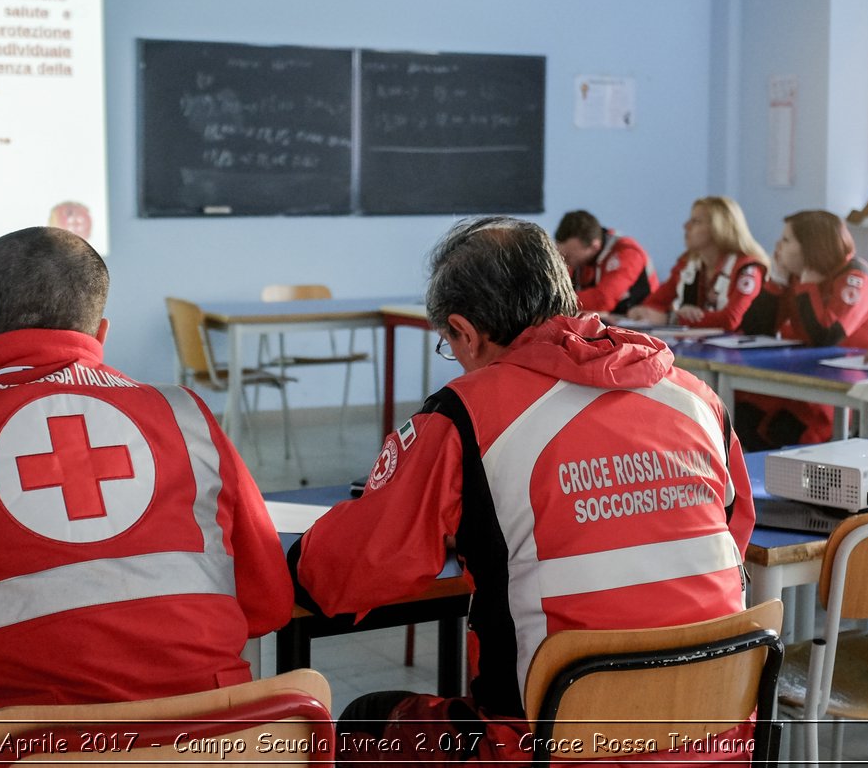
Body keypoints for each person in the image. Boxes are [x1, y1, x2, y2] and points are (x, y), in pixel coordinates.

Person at [290, 216, 756, 765]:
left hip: (547, 748)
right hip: (720, 734)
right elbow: (733, 535)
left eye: (450, 344)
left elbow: (342, 576)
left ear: (465, 331)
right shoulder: (697, 400)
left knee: (364, 723)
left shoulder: (465, 418)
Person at [0, 227, 291, 759]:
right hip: (215, 747)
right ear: (100, 330)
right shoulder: (186, 415)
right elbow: (267, 603)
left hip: (21, 751)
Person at [734, 210, 868, 449]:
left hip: (852, 388)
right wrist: (776, 281)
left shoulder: (856, 276)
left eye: (786, 240)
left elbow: (826, 335)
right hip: (807, 378)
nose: (777, 246)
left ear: (810, 247)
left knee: (783, 428)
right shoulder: (795, 275)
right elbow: (755, 328)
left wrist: (808, 285)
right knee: (741, 414)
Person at [626, 196, 768, 331]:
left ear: (719, 229)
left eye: (696, 221)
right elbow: (654, 303)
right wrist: (641, 312)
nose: (686, 226)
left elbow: (730, 319)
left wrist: (673, 319)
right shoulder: (688, 263)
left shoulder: (747, 269)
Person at [553, 210, 657, 315]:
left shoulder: (628, 253)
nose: (565, 262)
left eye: (569, 257)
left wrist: (553, 302)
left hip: (643, 325)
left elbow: (603, 300)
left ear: (594, 247)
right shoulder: (580, 259)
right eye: (562, 255)